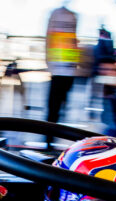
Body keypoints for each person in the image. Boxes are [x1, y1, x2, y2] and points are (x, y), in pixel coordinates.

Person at [45, 0, 80, 144]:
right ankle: (50, 136)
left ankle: (51, 136)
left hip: (64, 68)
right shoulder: (67, 15)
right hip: (63, 68)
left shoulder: (70, 15)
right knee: (57, 107)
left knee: (55, 107)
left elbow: (50, 38)